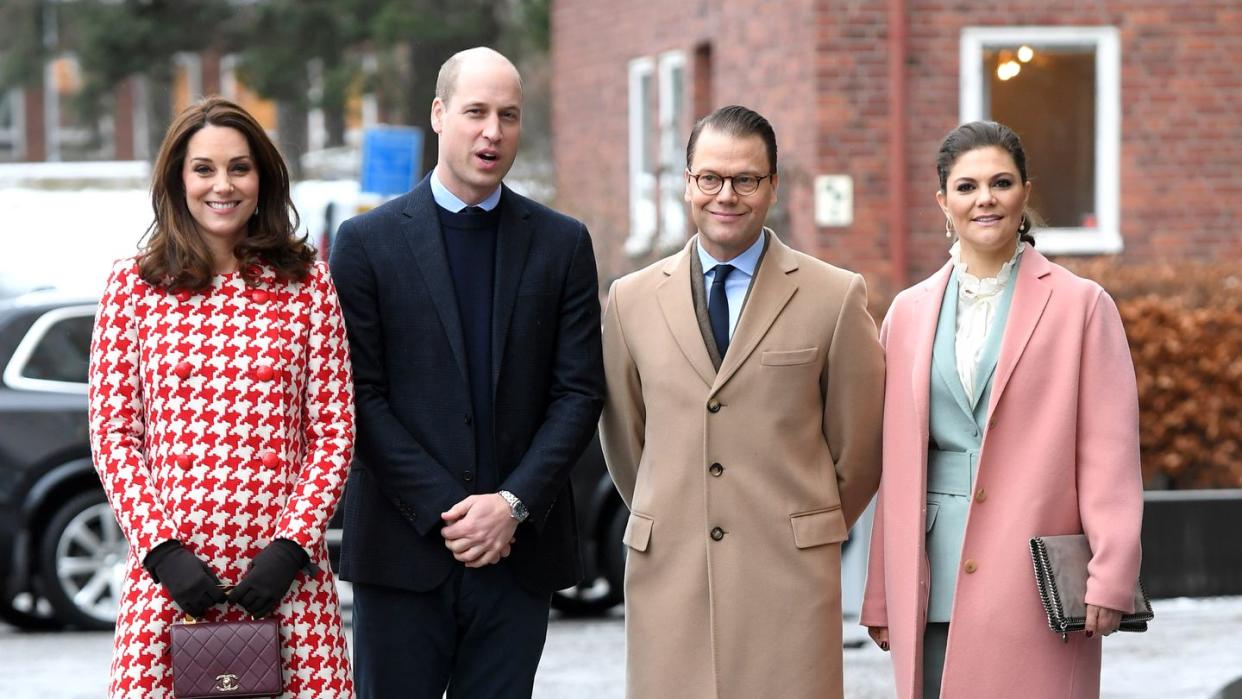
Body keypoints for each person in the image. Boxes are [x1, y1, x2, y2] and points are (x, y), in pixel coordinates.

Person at [329, 47, 604, 698]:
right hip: (402, 553)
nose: (493, 132)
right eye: (476, 112)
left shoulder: (562, 243)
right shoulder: (365, 244)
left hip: (518, 554)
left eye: (508, 115)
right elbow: (358, 396)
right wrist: (451, 510)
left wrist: (509, 505)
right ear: (438, 114)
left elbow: (579, 391)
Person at [599, 104, 885, 698]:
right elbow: (627, 443)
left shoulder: (833, 296)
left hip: (789, 580)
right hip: (669, 576)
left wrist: (805, 524)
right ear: (687, 184)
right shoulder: (630, 301)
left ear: (773, 186)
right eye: (710, 178)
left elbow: (859, 451)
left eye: (746, 179)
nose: (726, 195)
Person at [860, 120, 1144, 698]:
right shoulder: (907, 313)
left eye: (1000, 182)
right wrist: (883, 590)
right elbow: (895, 464)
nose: (984, 199)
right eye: (966, 187)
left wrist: (1112, 572)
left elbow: (1110, 452)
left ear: (1025, 193)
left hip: (1036, 577)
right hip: (933, 579)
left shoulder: (1081, 306)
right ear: (943, 201)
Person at [88, 96, 355, 697]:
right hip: (170, 588)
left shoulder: (306, 283)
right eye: (204, 168)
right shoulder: (132, 285)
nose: (222, 185)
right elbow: (114, 435)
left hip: (288, 586)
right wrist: (160, 552)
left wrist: (291, 546)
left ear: (262, 177)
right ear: (178, 179)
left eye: (239, 167)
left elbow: (334, 432)